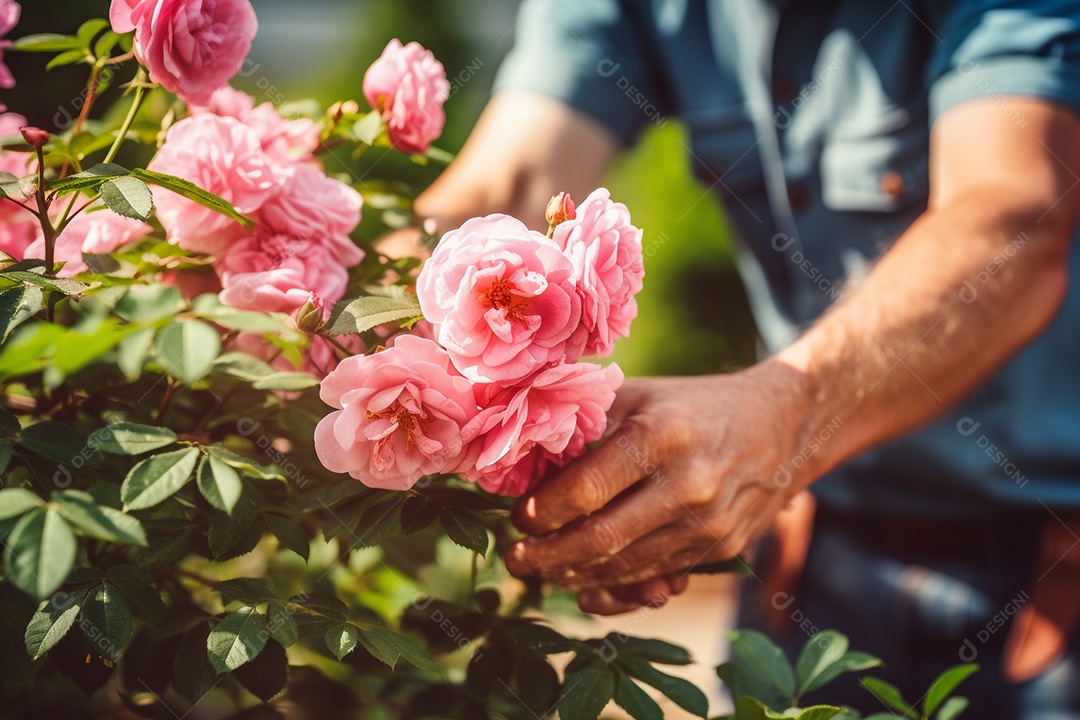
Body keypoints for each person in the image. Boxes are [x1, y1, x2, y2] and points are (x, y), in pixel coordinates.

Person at [409, 0, 1080, 714]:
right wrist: (351, 305)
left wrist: (783, 413)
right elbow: (505, 186)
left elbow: (1011, 225)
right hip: (816, 559)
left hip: (1050, 560)